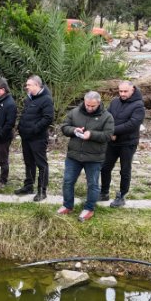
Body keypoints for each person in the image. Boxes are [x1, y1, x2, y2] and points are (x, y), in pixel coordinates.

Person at [59, 91, 114, 222]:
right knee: (68, 181)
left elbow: (108, 135)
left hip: (94, 158)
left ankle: (89, 209)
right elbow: (64, 127)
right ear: (84, 101)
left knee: (93, 184)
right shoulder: (75, 112)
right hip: (74, 156)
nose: (89, 108)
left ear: (99, 103)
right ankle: (68, 205)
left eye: (92, 106)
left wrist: (92, 135)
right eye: (87, 105)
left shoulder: (107, 117)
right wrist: (74, 130)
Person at [100, 81, 145, 208]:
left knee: (125, 170)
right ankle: (104, 192)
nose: (122, 94)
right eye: (120, 91)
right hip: (112, 142)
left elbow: (132, 124)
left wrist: (112, 131)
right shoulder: (115, 102)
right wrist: (109, 130)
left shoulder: (139, 105)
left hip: (128, 143)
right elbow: (107, 117)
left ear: (132, 90)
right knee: (105, 167)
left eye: (125, 91)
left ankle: (122, 196)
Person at [16, 75, 54, 202]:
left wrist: (34, 130)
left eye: (29, 85)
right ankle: (28, 186)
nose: (27, 87)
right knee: (28, 162)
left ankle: (42, 190)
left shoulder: (46, 99)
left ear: (37, 85)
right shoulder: (29, 99)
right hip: (26, 137)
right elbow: (26, 115)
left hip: (38, 138)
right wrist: (21, 128)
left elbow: (48, 118)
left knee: (41, 164)